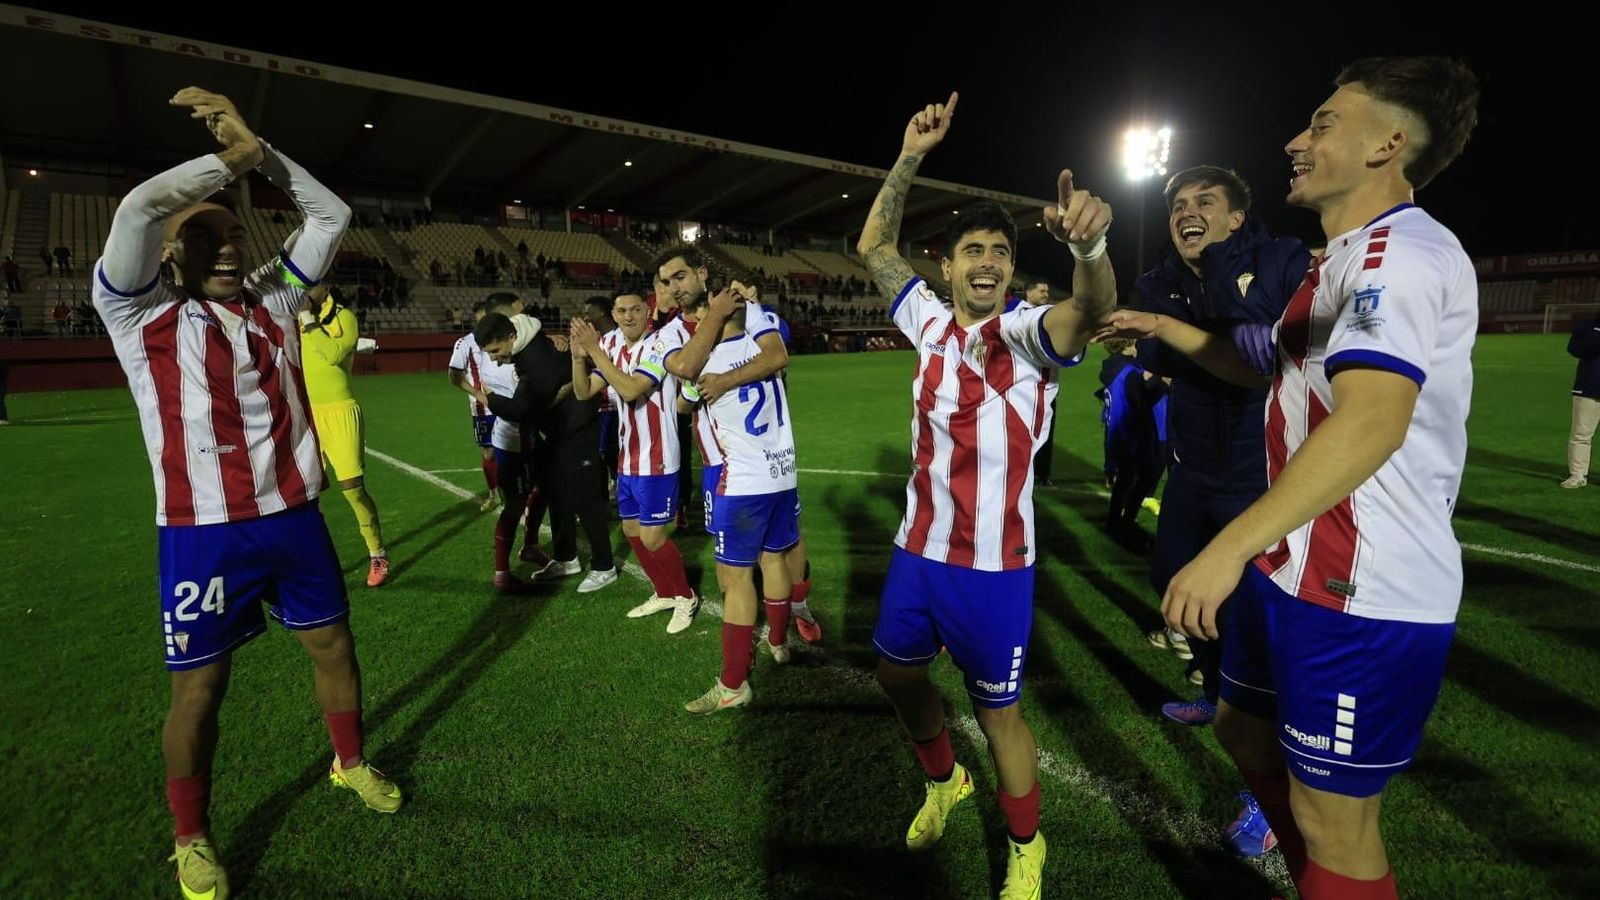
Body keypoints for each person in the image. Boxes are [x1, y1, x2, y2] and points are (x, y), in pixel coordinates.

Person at [1099, 56, 1480, 900]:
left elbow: (1373, 418)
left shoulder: (1402, 255)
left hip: (1361, 587)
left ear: (1389, 142)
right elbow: (1257, 369)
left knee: (1336, 824)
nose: (1295, 142)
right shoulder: (1335, 262)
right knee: (1242, 730)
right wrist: (1160, 324)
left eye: (1322, 124)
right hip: (1295, 568)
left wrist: (1227, 548)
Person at [91, 86, 402, 900]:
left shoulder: (275, 301)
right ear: (169, 253)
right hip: (202, 533)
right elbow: (133, 210)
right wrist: (224, 164)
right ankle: (190, 837)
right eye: (205, 235)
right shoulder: (133, 313)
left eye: (234, 233)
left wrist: (262, 155)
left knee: (335, 647)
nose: (228, 248)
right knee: (200, 688)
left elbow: (327, 217)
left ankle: (350, 763)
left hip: (294, 519)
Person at [856, 91, 1116, 898]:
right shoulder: (929, 325)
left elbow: (1092, 310)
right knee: (896, 677)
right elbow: (872, 245)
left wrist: (1093, 247)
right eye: (972, 249)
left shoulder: (1028, 335)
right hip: (916, 554)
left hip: (995, 569)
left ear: (1011, 267)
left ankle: (1027, 845)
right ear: (948, 264)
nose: (987, 262)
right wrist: (910, 155)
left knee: (1000, 715)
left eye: (999, 251)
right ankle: (945, 781)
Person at [299, 283, 389, 586]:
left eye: (308, 286)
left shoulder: (344, 317)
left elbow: (334, 354)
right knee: (307, 496)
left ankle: (377, 555)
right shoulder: (290, 319)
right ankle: (317, 561)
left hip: (340, 411)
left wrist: (308, 320)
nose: (301, 292)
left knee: (353, 490)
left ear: (324, 286)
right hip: (307, 414)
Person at [1563, 313, 1599, 488]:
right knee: (1581, 434)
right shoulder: (1587, 326)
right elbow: (1574, 349)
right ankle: (1577, 474)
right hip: (1589, 385)